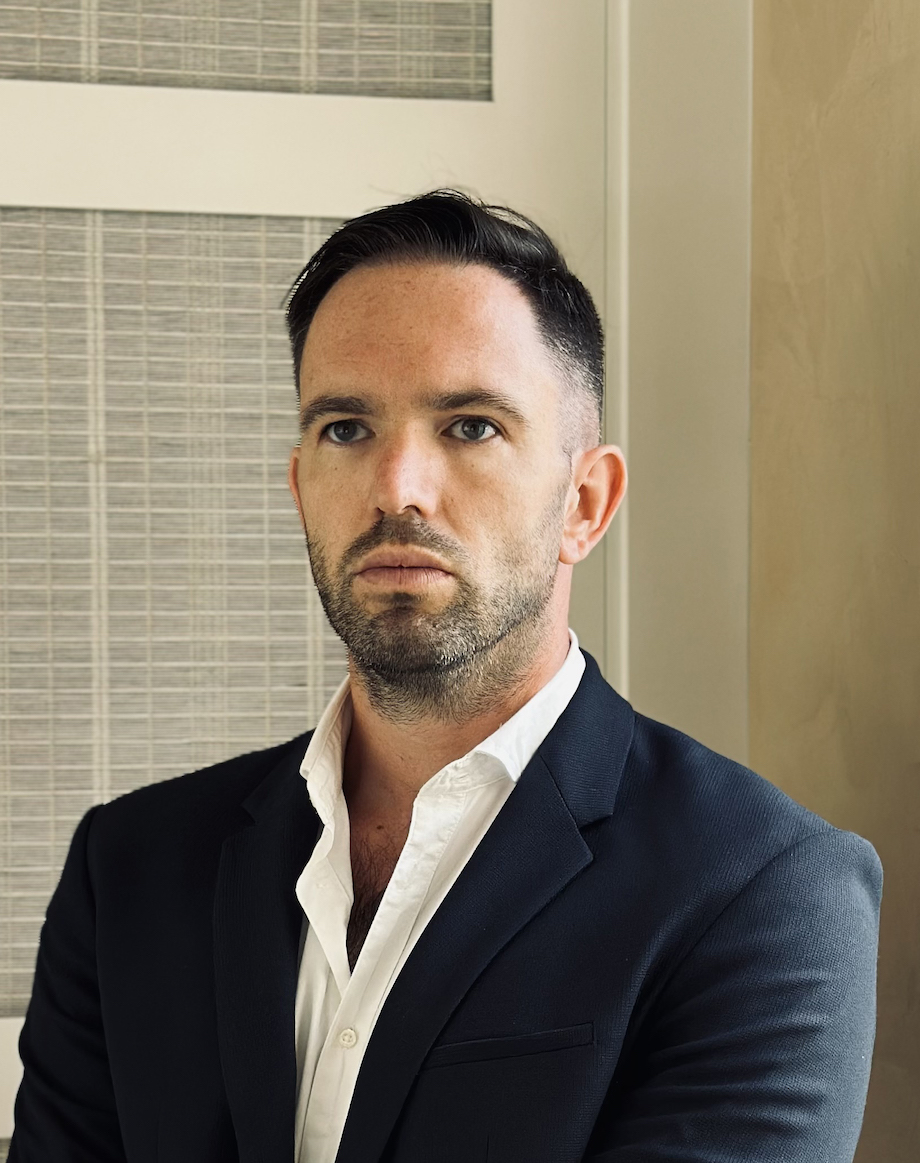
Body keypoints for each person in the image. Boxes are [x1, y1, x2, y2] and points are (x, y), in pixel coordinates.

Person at [9, 189, 881, 1163]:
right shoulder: (129, 867)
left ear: (582, 502)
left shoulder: (760, 890)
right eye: (345, 427)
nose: (396, 487)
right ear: (300, 486)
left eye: (468, 425)